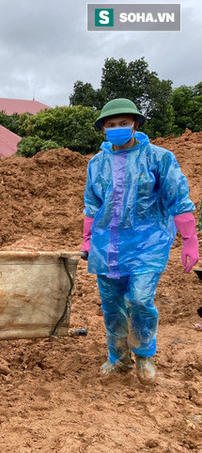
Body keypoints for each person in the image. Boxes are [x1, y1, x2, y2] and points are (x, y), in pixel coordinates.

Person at [81, 98, 199, 385]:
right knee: (111, 305)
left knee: (140, 299)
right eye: (111, 125)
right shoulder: (97, 163)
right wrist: (86, 239)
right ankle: (118, 358)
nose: (118, 128)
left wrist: (190, 240)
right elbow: (92, 204)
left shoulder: (159, 158)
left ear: (135, 124)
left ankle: (144, 356)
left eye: (124, 123)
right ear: (103, 129)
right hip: (107, 245)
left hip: (148, 243)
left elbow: (178, 198)